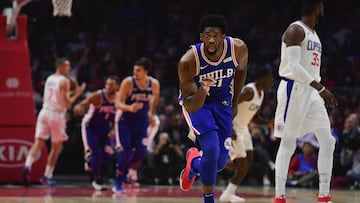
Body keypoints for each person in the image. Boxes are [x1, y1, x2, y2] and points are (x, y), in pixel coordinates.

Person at [177, 14, 248, 203]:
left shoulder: (238, 49)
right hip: (198, 103)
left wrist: (234, 103)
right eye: (207, 35)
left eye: (215, 35)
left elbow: (240, 72)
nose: (211, 39)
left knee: (218, 163)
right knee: (211, 149)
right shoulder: (188, 61)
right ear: (201, 37)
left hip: (223, 101)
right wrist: (203, 89)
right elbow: (191, 106)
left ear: (223, 37)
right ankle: (208, 199)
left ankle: (193, 163)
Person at [273, 1, 338, 202]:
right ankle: (279, 196)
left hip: (312, 90)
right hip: (295, 88)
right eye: (322, 6)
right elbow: (293, 65)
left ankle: (324, 194)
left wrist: (317, 89)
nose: (324, 10)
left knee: (328, 141)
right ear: (317, 8)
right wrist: (321, 88)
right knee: (288, 143)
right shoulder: (295, 29)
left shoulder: (314, 34)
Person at [22, 57, 86, 187]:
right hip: (57, 114)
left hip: (44, 112)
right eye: (67, 66)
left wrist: (71, 91)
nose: (69, 69)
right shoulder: (64, 81)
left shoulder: (49, 78)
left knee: (38, 143)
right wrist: (78, 93)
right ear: (61, 66)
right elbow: (68, 103)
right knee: (56, 147)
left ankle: (27, 166)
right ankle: (47, 175)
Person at [220, 66, 274, 202]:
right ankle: (216, 164)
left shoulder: (261, 94)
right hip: (233, 127)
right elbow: (229, 104)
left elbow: (254, 118)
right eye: (270, 77)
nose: (272, 80)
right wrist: (228, 126)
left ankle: (228, 192)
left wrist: (268, 122)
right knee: (242, 164)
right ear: (262, 78)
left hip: (243, 128)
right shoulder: (249, 91)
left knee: (247, 162)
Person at [112, 57, 160, 193]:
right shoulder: (128, 82)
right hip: (125, 121)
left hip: (141, 121)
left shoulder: (154, 84)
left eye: (138, 70)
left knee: (141, 152)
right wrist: (129, 107)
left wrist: (151, 113)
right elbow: (117, 103)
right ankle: (118, 180)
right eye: (134, 69)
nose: (135, 72)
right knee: (126, 151)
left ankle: (125, 169)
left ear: (146, 71)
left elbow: (155, 99)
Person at [73, 75, 120, 190]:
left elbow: (117, 117)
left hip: (105, 129)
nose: (108, 87)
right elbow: (82, 104)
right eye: (107, 84)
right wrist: (79, 108)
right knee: (97, 154)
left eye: (111, 85)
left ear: (117, 87)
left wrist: (113, 130)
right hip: (91, 127)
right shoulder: (98, 96)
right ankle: (97, 180)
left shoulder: (119, 99)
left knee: (108, 155)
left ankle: (90, 161)